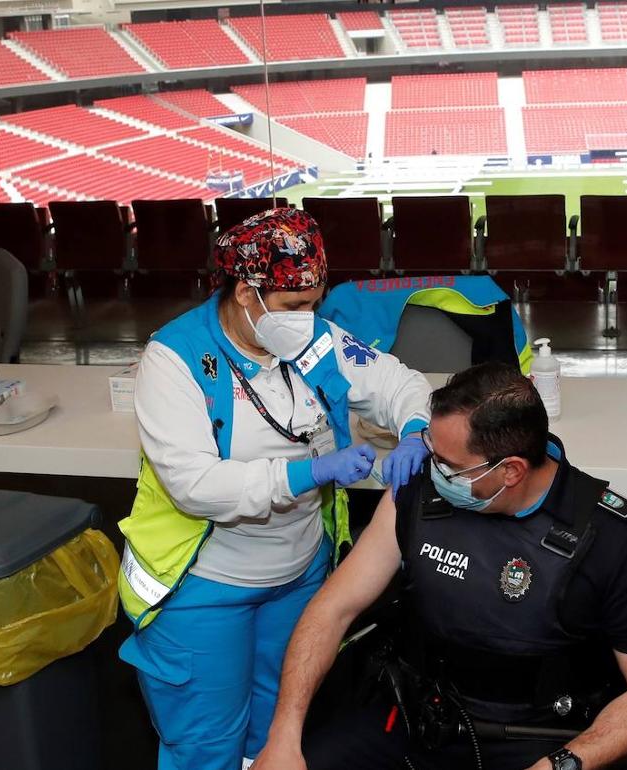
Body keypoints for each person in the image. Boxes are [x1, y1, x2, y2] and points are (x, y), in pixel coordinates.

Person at [117, 208, 433, 770]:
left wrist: (412, 430)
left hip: (296, 579)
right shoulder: (177, 360)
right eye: (293, 308)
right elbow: (195, 485)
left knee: (278, 740)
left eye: (315, 304)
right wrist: (308, 473)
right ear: (246, 293)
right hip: (203, 589)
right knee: (206, 749)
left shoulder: (313, 340)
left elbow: (396, 381)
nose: (308, 319)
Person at [256, 362, 627, 770]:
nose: (434, 470)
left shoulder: (608, 534)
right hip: (417, 714)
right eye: (431, 448)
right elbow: (333, 609)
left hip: (541, 735)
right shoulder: (417, 494)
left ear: (511, 471)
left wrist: (562, 764)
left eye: (450, 465)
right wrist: (283, 736)